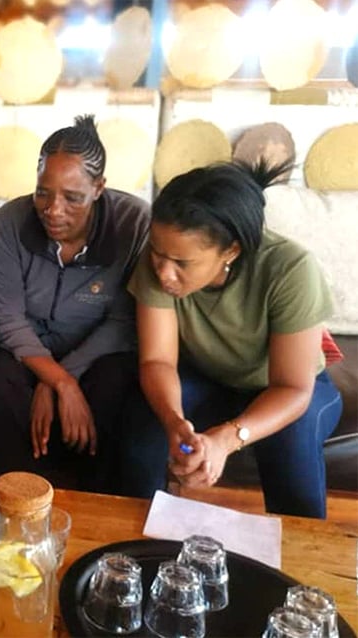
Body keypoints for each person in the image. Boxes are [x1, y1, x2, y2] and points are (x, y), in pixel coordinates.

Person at [121, 161, 343, 518]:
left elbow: (292, 388)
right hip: (209, 378)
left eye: (181, 262)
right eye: (157, 254)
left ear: (231, 251)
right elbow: (157, 362)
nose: (163, 272)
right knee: (143, 423)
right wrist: (175, 423)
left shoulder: (289, 269)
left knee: (290, 442)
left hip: (289, 388)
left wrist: (226, 439)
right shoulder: (158, 262)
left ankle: (301, 562)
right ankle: (130, 543)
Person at [0, 115, 150, 491]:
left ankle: (93, 498)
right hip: (27, 353)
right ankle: (13, 495)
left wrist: (60, 380)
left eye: (73, 198)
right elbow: (6, 317)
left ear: (99, 188)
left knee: (118, 378)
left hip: (95, 355)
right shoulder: (11, 221)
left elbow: (122, 323)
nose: (53, 210)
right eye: (43, 192)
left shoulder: (134, 223)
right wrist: (58, 381)